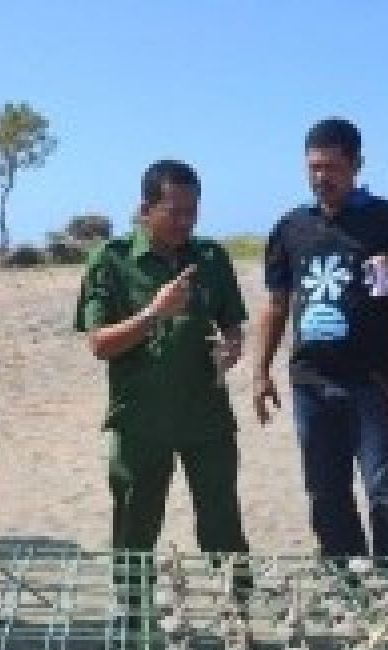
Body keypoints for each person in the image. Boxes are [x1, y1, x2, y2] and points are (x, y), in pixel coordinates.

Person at [75, 160, 250, 617]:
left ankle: (238, 610)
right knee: (136, 523)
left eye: (193, 211)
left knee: (222, 522)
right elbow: (100, 344)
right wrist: (155, 312)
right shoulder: (110, 260)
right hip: (139, 420)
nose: (185, 222)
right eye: (174, 212)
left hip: (206, 416)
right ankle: (134, 614)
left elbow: (233, 326)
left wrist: (230, 351)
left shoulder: (211, 257)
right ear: (144, 209)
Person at [253, 118, 388, 559]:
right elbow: (275, 305)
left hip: (373, 381)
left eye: (331, 167)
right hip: (311, 382)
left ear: (356, 164)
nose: (321, 177)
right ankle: (348, 584)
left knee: (385, 490)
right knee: (326, 494)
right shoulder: (291, 227)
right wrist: (260, 373)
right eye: (313, 167)